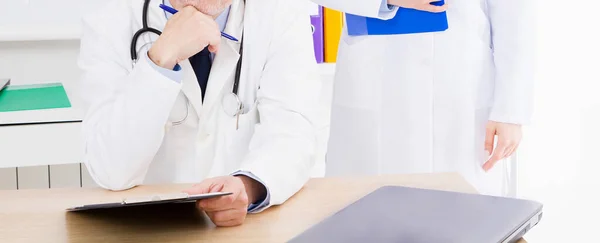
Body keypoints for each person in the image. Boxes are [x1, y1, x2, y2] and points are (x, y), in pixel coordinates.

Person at [77, 0, 323, 226]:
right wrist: (161, 57)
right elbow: (110, 169)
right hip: (148, 229)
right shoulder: (110, 19)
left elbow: (294, 134)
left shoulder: (279, 12)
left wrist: (247, 186)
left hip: (247, 229)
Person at [311, 0, 534, 196]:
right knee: (367, 217)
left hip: (462, 78)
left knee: (465, 218)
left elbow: (514, 13)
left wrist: (510, 110)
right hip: (375, 71)